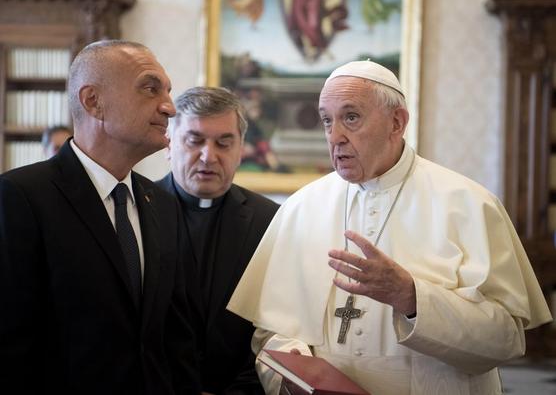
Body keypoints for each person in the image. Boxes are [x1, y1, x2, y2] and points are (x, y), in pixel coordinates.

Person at [227, 60, 553, 395]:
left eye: (351, 117)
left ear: (396, 122)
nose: (334, 136)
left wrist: (411, 298)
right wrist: (292, 377)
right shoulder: (302, 207)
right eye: (327, 120)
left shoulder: (469, 204)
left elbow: (506, 339)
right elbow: (271, 330)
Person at [0, 40, 200, 394]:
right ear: (93, 101)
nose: (169, 107)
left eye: (167, 91)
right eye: (150, 88)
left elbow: (175, 340)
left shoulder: (163, 204)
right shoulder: (20, 197)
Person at [156, 86, 279, 395]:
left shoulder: (272, 222)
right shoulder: (136, 210)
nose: (209, 156)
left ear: (241, 150)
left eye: (224, 143)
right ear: (169, 144)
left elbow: (278, 329)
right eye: (195, 141)